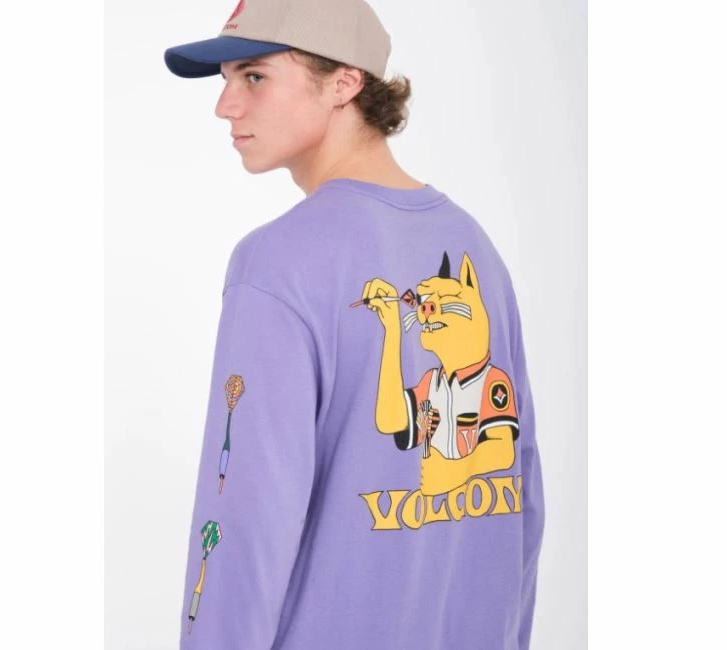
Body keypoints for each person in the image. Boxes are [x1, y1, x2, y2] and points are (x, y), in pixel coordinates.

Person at [164, 1, 545, 648]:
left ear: (344, 82)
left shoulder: (276, 262)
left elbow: (245, 518)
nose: (225, 106)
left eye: (254, 76)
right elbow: (520, 502)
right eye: (225, 80)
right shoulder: (472, 246)